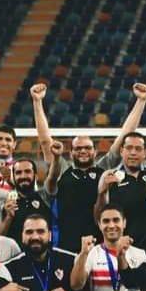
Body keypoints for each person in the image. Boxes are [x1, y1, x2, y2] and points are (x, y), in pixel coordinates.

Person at [95, 100, 146, 255]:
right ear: (121, 151)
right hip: (124, 252)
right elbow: (99, 216)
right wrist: (102, 193)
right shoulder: (110, 178)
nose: (133, 152)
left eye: (138, 149)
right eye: (129, 148)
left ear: (145, 153)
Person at [37, 84, 104, 253]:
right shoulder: (63, 170)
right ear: (71, 152)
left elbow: (123, 139)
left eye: (87, 148)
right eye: (78, 148)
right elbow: (45, 142)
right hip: (67, 245)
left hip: (100, 245)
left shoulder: (103, 170)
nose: (83, 151)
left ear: (95, 152)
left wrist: (141, 100)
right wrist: (37, 101)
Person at [0, 158, 54, 245]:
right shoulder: (5, 203)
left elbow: (53, 177)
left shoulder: (45, 197)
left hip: (43, 251)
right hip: (15, 252)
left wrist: (56, 157)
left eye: (27, 171)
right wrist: (8, 218)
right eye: (18, 173)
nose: (23, 176)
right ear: (13, 177)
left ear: (36, 176)